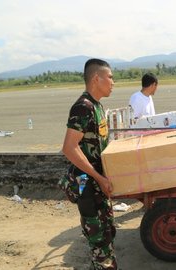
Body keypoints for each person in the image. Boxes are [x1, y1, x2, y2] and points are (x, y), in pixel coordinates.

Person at [62, 58, 117, 270]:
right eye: (110, 77)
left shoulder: (97, 106)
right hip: (88, 187)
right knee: (99, 241)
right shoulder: (82, 107)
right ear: (96, 78)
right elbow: (69, 147)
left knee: (107, 234)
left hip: (98, 186)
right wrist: (100, 178)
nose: (113, 82)